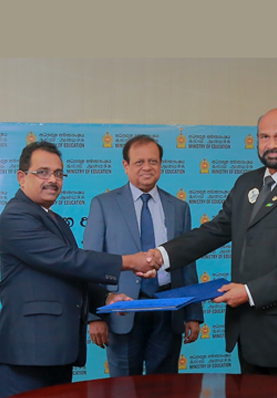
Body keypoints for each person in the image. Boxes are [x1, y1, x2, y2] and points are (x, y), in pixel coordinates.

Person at [147, 108, 277, 378]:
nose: (271, 144)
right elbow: (215, 230)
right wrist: (162, 256)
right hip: (245, 331)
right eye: (264, 137)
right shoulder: (246, 182)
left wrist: (248, 292)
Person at [0, 141, 158, 398]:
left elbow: (71, 273)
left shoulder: (55, 219)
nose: (53, 180)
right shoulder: (16, 216)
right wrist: (129, 262)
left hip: (58, 349)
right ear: (22, 178)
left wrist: (107, 298)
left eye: (58, 173)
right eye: (43, 172)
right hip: (28, 351)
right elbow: (67, 259)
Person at [83, 135, 203, 377]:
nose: (147, 167)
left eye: (153, 161)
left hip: (169, 310)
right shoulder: (103, 204)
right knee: (124, 388)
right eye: (139, 162)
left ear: (161, 165)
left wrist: (193, 314)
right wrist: (94, 316)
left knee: (165, 388)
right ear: (126, 166)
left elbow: (187, 265)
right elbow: (91, 263)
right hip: (122, 311)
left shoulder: (179, 208)